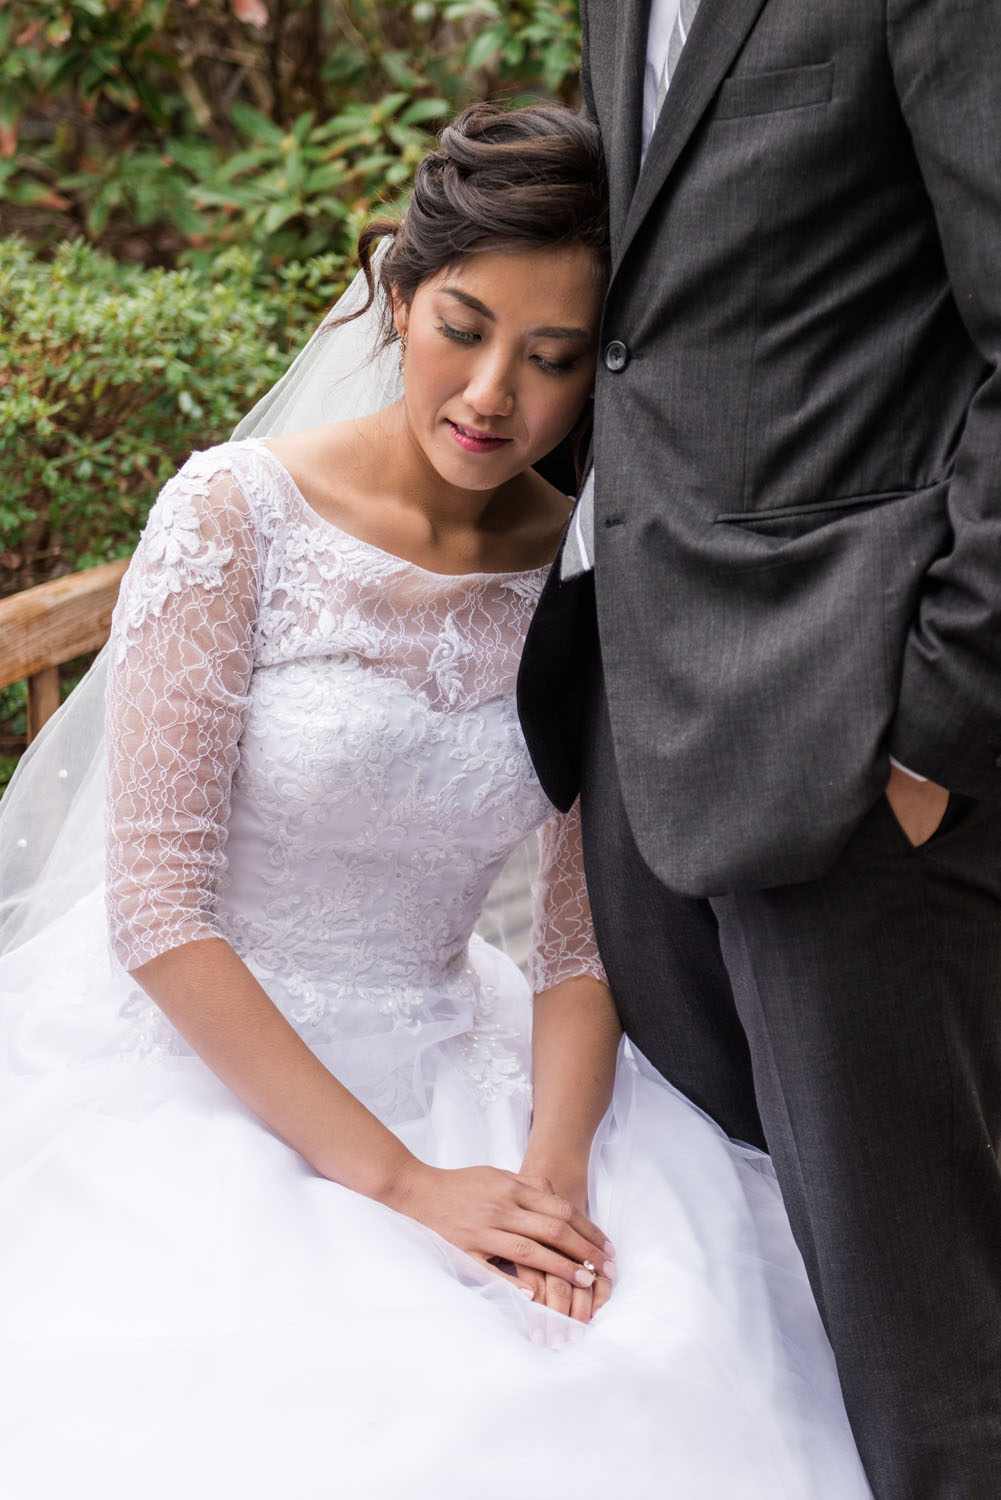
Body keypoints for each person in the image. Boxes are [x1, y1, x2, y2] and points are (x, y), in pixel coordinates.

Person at [0, 104, 870, 1499]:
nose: (491, 395)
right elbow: (157, 910)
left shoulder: (587, 571)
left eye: (551, 359)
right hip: (201, 1058)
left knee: (629, 1362)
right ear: (398, 294)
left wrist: (550, 1183)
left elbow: (581, 936)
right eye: (461, 325)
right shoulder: (234, 514)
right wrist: (406, 1187)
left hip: (466, 1051)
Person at [517, 6, 1001, 1500]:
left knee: (940, 1360)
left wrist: (937, 721)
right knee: (771, 1311)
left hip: (852, 743)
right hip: (649, 721)